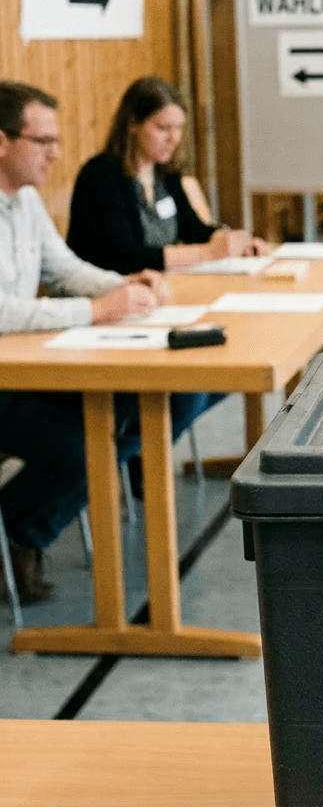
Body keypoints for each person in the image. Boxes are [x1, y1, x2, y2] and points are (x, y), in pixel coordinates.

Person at [0, 81, 170, 602]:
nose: (56, 153)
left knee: (121, 417)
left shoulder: (25, 201)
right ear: (2, 142)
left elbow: (65, 268)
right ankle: (18, 534)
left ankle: (22, 533)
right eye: (42, 141)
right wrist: (96, 310)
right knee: (81, 448)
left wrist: (125, 286)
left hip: (25, 368)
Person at [67, 76, 269, 274]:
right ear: (132, 124)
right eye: (162, 128)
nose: (173, 139)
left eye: (178, 128)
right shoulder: (102, 174)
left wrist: (236, 242)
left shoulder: (165, 174)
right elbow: (126, 256)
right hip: (108, 290)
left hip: (155, 286)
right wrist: (205, 253)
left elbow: (193, 229)